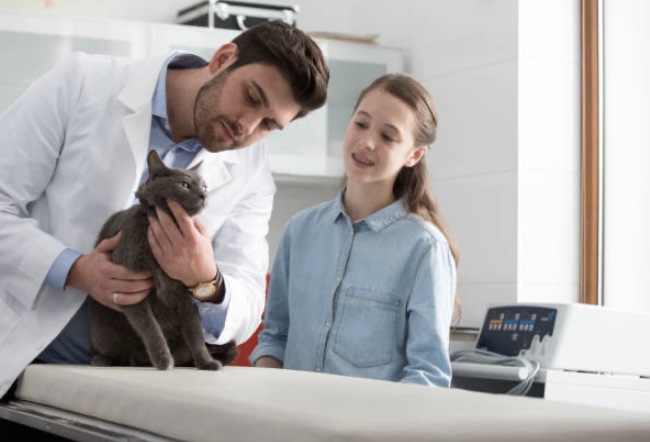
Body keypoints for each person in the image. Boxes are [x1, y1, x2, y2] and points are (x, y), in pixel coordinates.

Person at [0, 19, 329, 398]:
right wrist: (75, 270)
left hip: (134, 389)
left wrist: (207, 280)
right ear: (223, 59)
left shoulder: (252, 173)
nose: (247, 127)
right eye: (252, 97)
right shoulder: (82, 83)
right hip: (25, 370)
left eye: (269, 123)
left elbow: (249, 302)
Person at [250, 74, 459, 387]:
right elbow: (275, 337)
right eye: (361, 124)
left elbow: (428, 375)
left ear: (414, 155)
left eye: (388, 136)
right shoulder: (299, 232)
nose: (367, 141)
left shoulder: (424, 248)